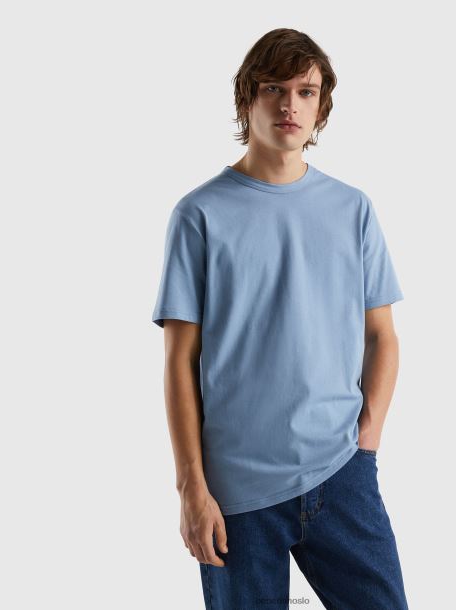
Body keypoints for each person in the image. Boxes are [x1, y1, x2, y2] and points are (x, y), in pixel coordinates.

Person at [152, 28, 409, 609]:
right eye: (274, 88)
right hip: (237, 490)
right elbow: (179, 363)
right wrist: (191, 487)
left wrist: (366, 443)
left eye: (305, 91)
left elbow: (382, 337)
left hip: (340, 472)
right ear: (248, 98)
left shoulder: (353, 209)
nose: (290, 104)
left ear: (321, 107)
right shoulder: (199, 214)